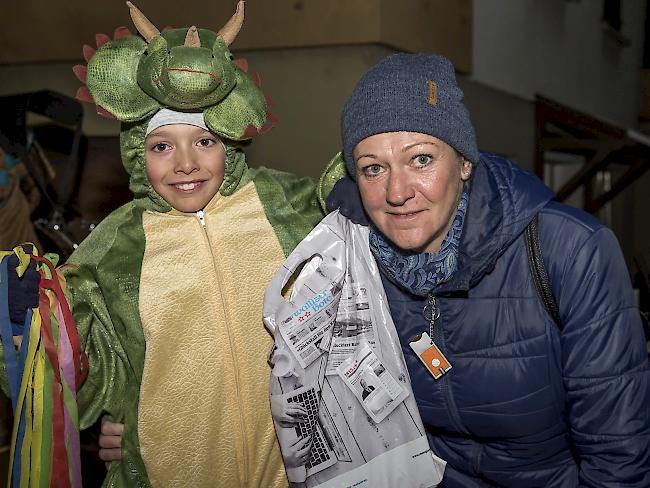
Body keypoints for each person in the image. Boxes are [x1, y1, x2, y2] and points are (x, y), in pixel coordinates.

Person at [3, 3, 337, 487]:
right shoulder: (116, 247)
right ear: (138, 151)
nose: (185, 163)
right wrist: (31, 322)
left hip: (297, 473)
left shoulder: (288, 206)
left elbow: (372, 217)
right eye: (162, 146)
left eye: (204, 142)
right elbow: (87, 377)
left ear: (229, 140)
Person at [322, 53, 650, 487]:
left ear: (464, 162)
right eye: (373, 168)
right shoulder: (348, 262)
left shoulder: (570, 251)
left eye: (421, 159)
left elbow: (617, 456)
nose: (396, 192)